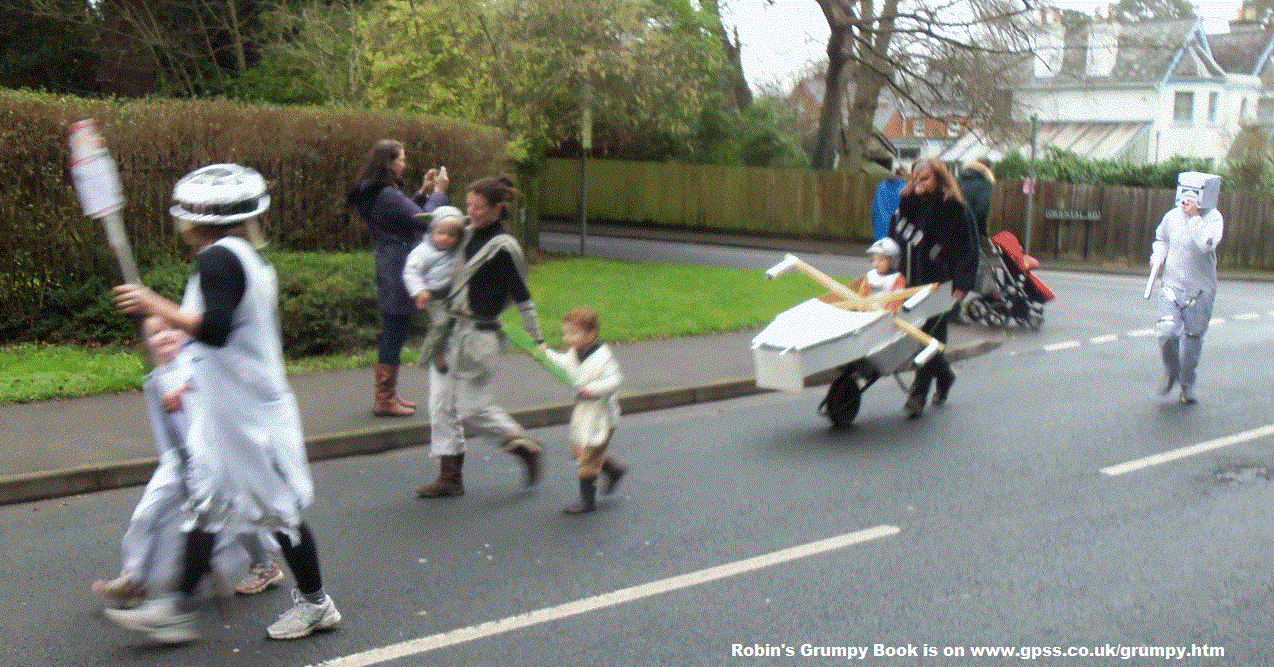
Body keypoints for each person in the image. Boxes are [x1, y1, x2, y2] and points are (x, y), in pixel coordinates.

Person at [107, 163, 340, 643]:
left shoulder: (219, 260)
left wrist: (154, 303)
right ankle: (169, 610)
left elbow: (213, 329)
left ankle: (317, 605)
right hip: (233, 411)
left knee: (280, 514)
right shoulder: (245, 259)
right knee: (209, 509)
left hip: (250, 415)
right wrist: (180, 357)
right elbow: (220, 333)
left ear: (195, 217)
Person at [92, 316, 282, 610]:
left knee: (237, 515)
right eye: (155, 333)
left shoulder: (196, 366)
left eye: (171, 328)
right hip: (176, 461)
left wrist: (185, 390)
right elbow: (162, 429)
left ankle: (264, 564)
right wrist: (171, 463)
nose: (165, 336)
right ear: (147, 344)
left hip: (214, 455)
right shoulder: (153, 382)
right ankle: (133, 578)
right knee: (148, 512)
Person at [416, 175, 545, 498]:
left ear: (498, 208)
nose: (470, 212)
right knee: (440, 404)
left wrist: (538, 340)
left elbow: (523, 297)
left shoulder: (503, 248)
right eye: (468, 205)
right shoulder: (466, 234)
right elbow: (433, 232)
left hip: (479, 337)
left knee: (473, 409)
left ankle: (523, 446)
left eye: (478, 207)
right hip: (449, 331)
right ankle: (450, 477)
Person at [347, 140, 450, 416]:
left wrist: (424, 191)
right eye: (402, 159)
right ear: (390, 162)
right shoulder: (386, 194)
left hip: (393, 262)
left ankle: (389, 395)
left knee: (397, 327)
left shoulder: (381, 192)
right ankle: (384, 399)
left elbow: (405, 214)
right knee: (395, 328)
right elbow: (425, 220)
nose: (405, 163)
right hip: (398, 266)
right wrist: (439, 193)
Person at [888, 158, 979, 418]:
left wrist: (962, 286)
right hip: (909, 283)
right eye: (916, 178)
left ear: (939, 178)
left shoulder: (956, 209)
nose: (920, 183)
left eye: (926, 178)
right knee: (917, 337)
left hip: (941, 285)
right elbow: (895, 239)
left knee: (930, 340)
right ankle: (946, 376)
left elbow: (969, 251)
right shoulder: (908, 205)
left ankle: (917, 396)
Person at [542, 307, 628, 514]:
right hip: (584, 415)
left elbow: (615, 380)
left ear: (591, 335)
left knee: (588, 458)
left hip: (601, 417)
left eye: (572, 333)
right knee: (581, 452)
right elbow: (562, 364)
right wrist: (545, 355)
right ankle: (613, 468)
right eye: (565, 333)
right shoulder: (574, 354)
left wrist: (593, 389)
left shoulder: (603, 358)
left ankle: (587, 501)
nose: (566, 338)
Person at [1151, 176, 1224, 404]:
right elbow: (1161, 239)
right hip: (1172, 285)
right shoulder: (1171, 217)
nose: (1187, 198)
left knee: (1192, 339)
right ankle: (1171, 371)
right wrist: (1158, 256)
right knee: (1166, 332)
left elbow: (1206, 244)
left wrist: (1194, 218)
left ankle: (1186, 384)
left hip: (1200, 291)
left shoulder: (1213, 218)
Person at [402, 206, 466, 371]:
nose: (445, 238)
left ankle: (439, 353)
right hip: (431, 296)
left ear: (458, 237)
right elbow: (411, 271)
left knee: (450, 325)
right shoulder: (423, 252)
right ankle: (425, 357)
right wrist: (419, 290)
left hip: (451, 295)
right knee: (441, 322)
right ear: (432, 232)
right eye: (440, 233)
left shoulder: (458, 250)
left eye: (451, 235)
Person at [871, 162, 908, 241]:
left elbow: (874, 208)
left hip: (880, 229)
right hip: (895, 232)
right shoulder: (905, 189)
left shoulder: (882, 185)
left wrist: (876, 224)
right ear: (904, 176)